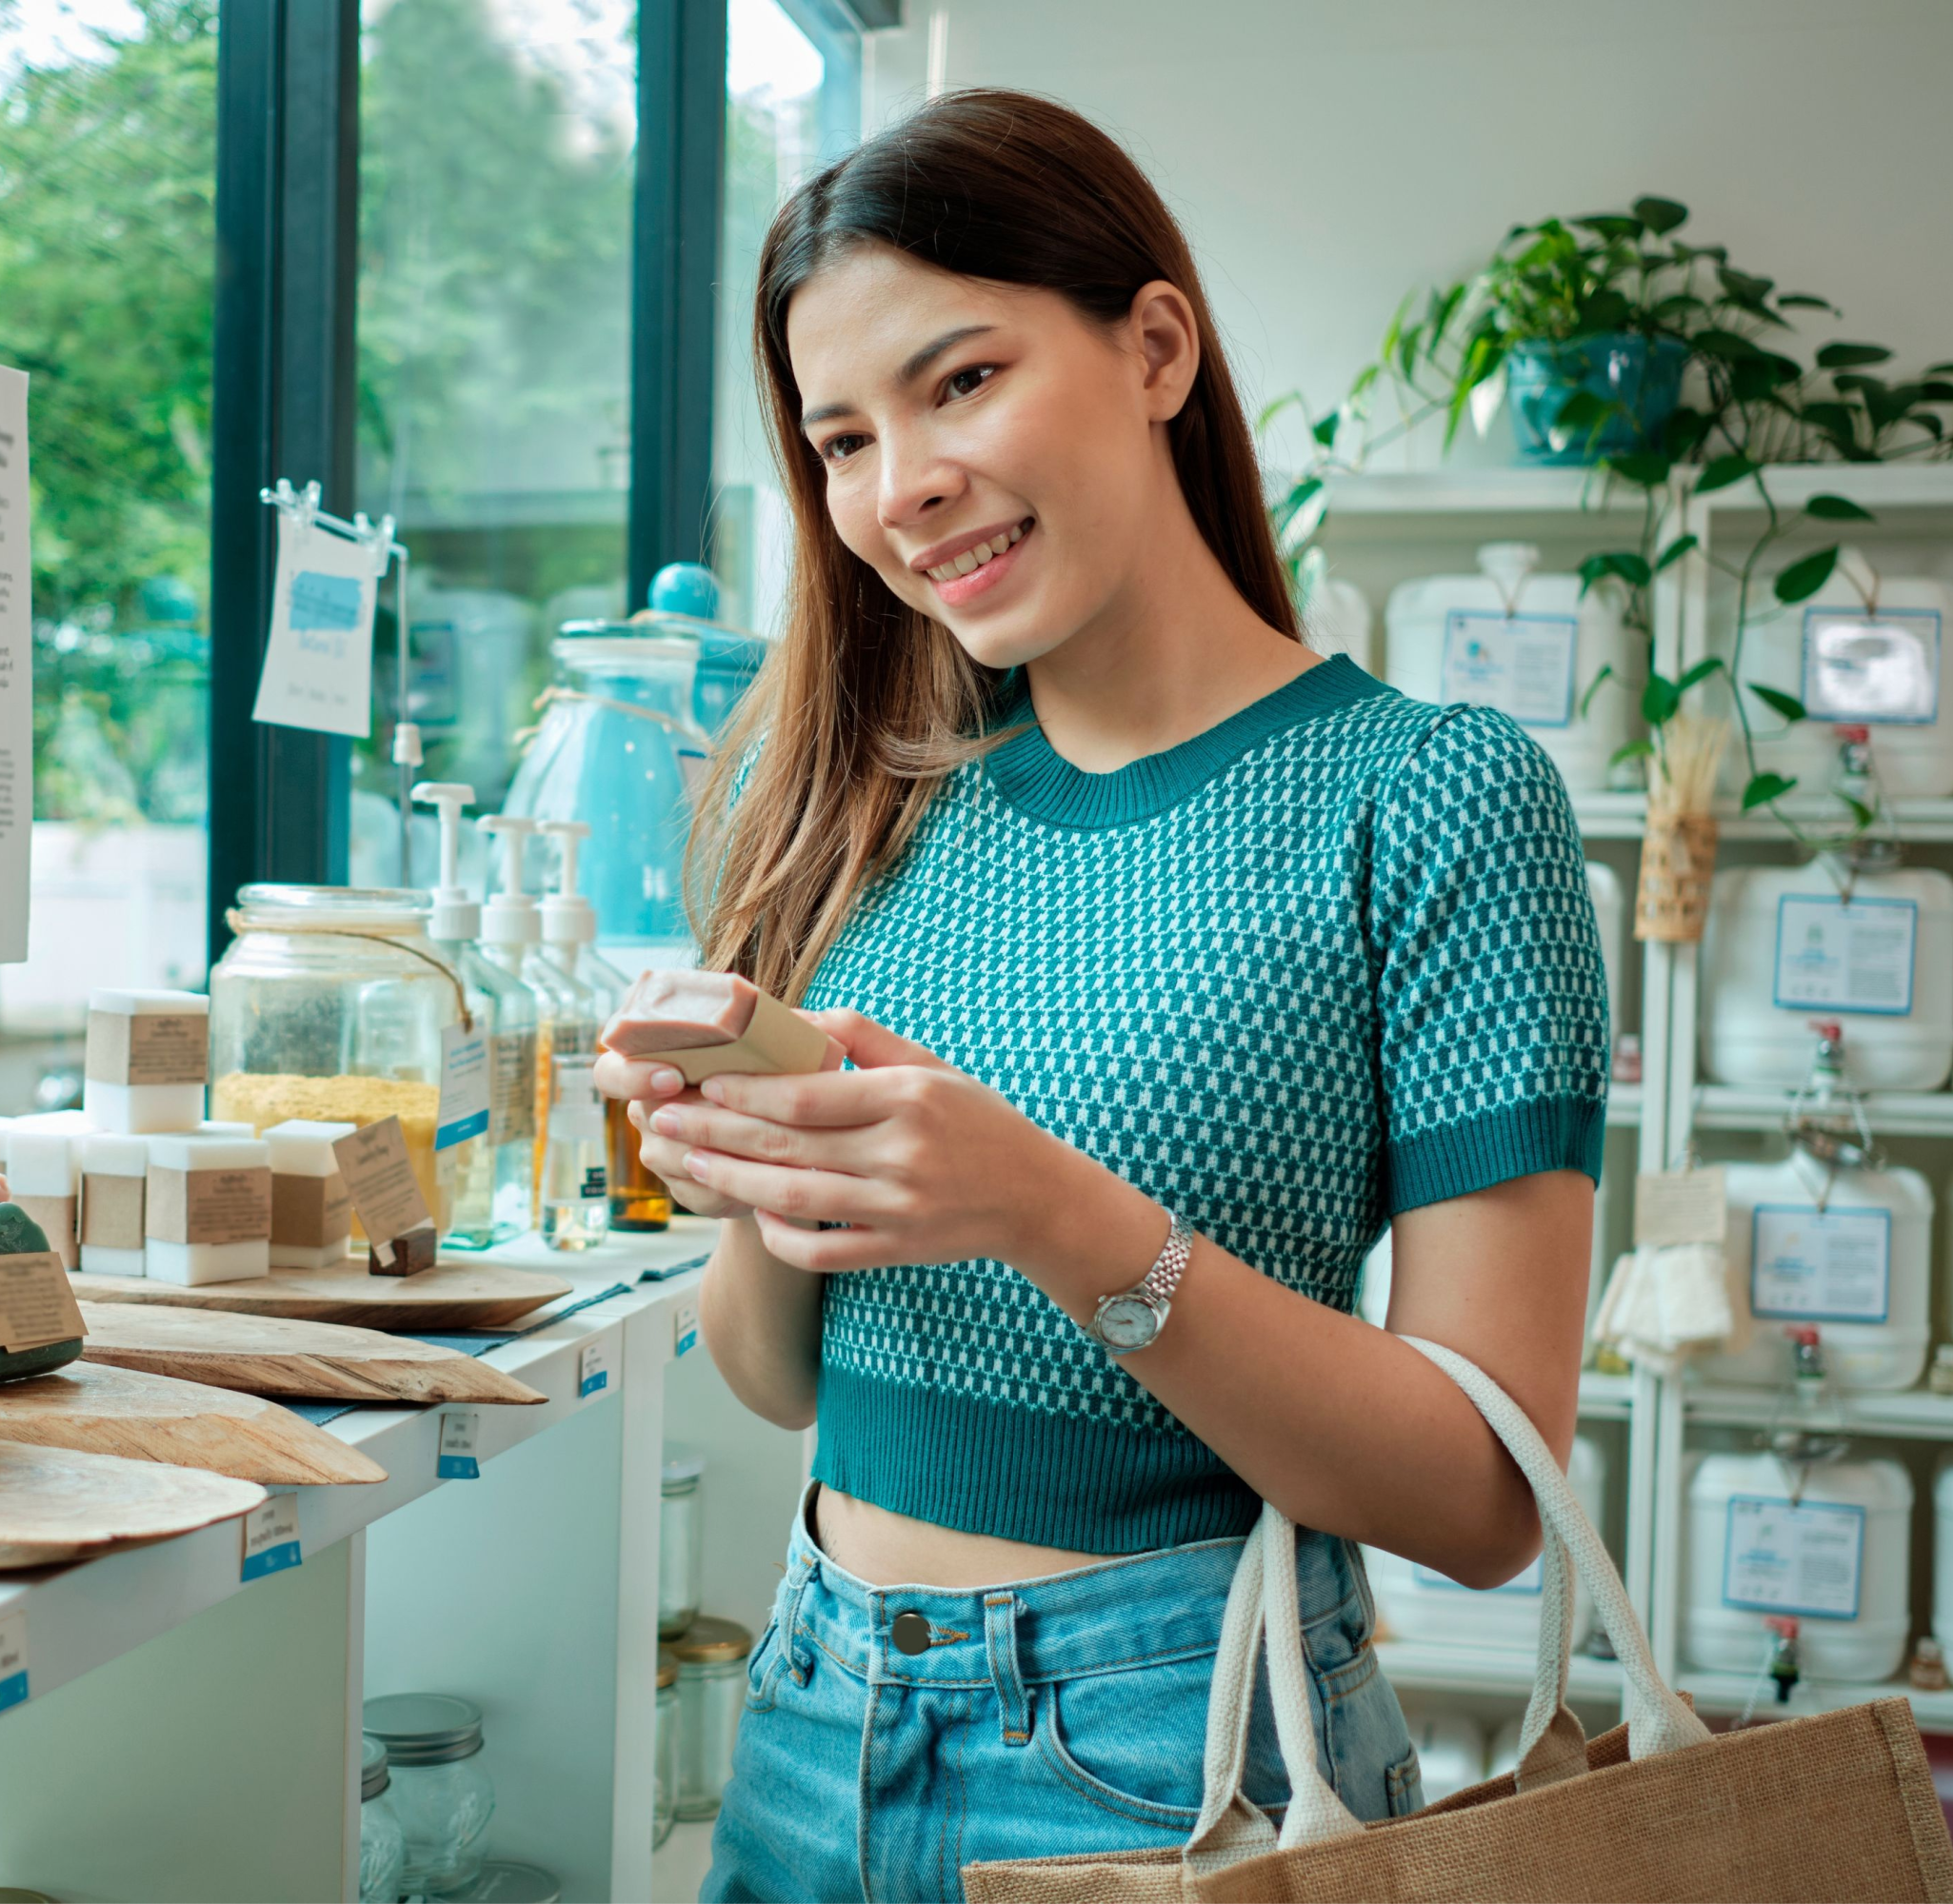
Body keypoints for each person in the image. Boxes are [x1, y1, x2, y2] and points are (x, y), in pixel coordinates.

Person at [592, 89, 1610, 1903]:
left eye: (959, 383)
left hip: (1179, 1757)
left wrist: (1040, 1206)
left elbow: (1481, 1496)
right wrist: (774, 1159)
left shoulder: (1430, 794)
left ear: (1154, 347)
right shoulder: (871, 797)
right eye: (841, 438)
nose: (896, 487)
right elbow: (768, 1381)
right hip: (816, 1702)